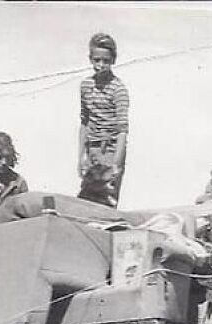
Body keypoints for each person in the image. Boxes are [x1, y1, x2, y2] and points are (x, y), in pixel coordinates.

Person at [78, 33, 129, 207]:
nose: (100, 65)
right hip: (92, 151)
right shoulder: (85, 86)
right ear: (90, 59)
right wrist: (81, 157)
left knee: (106, 202)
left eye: (106, 61)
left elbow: (123, 130)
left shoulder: (118, 89)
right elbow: (85, 122)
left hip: (111, 150)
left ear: (113, 60)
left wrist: (115, 165)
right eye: (97, 60)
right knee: (86, 200)